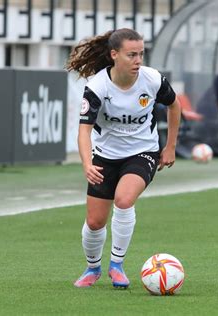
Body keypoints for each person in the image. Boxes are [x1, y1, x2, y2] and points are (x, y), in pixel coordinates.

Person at [66, 28, 181, 289]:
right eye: (132, 55)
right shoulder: (96, 86)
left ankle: (116, 266)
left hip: (143, 152)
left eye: (141, 54)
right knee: (95, 222)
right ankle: (92, 268)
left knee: (124, 199)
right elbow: (84, 132)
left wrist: (171, 146)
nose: (138, 60)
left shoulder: (152, 80)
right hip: (105, 156)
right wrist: (87, 163)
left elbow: (175, 105)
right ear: (114, 55)